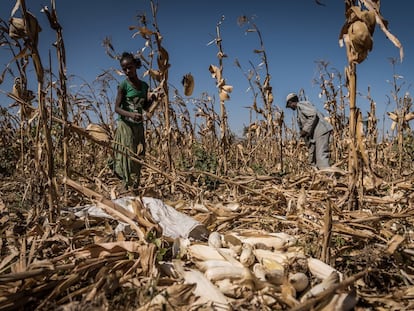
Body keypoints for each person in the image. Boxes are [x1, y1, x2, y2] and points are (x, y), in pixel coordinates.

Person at [111, 52, 154, 192]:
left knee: (139, 154)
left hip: (138, 126)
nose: (128, 71)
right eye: (124, 69)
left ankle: (135, 185)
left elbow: (145, 107)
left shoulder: (144, 86)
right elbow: (117, 108)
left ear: (136, 65)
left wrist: (153, 99)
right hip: (126, 125)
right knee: (127, 156)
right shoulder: (123, 85)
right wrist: (130, 114)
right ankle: (126, 184)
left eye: (130, 67)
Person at [286, 93, 333, 169]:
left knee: (321, 157)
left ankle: (329, 178)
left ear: (291, 102)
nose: (290, 108)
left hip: (321, 131)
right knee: (314, 160)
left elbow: (313, 115)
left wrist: (304, 130)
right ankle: (320, 177)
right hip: (316, 134)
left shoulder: (301, 105)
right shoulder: (299, 110)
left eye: (289, 105)